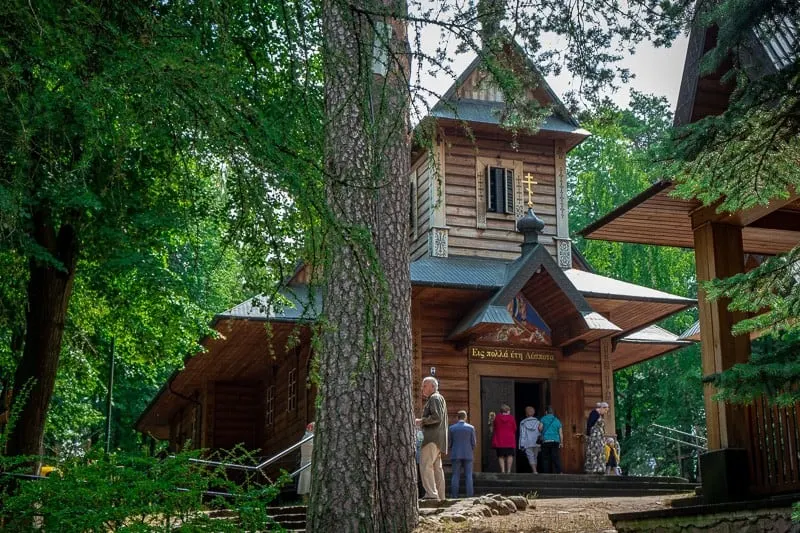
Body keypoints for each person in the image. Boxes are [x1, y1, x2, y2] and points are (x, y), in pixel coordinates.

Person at [415, 376, 448, 500]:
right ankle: (440, 496)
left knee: (425, 465)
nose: (422, 388)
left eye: (424, 385)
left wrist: (421, 421)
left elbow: (437, 417)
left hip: (431, 438)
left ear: (432, 387)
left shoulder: (434, 398)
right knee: (437, 468)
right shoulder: (439, 398)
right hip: (438, 440)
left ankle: (431, 495)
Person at [448, 410, 476, 498]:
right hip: (468, 454)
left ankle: (454, 496)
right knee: (468, 475)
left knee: (455, 475)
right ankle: (469, 496)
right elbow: (474, 443)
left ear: (457, 417)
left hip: (456, 454)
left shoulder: (452, 428)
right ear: (465, 417)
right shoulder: (471, 428)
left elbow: (450, 443)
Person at [490, 404, 516, 473]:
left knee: (501, 456)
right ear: (507, 411)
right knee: (510, 455)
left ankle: (502, 470)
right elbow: (514, 428)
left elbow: (494, 427)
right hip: (509, 440)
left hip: (499, 440)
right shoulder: (511, 418)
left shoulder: (497, 418)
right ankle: (509, 471)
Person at [585, 401, 608, 474]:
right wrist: (588, 435)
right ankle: (594, 469)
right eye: (606, 410)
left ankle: (599, 469)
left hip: (599, 438)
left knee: (600, 452)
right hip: (595, 438)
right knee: (595, 452)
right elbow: (589, 425)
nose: (605, 412)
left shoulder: (598, 414)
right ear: (602, 408)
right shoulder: (594, 414)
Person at [538, 406, 563, 474]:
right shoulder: (557, 420)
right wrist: (561, 443)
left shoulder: (543, 418)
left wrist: (541, 430)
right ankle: (560, 471)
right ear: (553, 413)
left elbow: (540, 428)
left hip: (546, 441)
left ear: (546, 412)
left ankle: (546, 473)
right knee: (555, 457)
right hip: (555, 441)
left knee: (546, 458)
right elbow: (560, 433)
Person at [518, 406, 541, 474]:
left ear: (526, 414)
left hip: (527, 442)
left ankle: (534, 471)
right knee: (535, 457)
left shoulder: (523, 422)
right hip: (536, 442)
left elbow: (523, 434)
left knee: (530, 456)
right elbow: (540, 432)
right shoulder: (538, 422)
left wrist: (521, 444)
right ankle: (535, 470)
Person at [297, 422, 314, 501]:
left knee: (304, 478)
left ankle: (305, 498)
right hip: (309, 460)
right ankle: (308, 497)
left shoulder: (305, 437)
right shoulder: (310, 437)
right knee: (308, 478)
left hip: (304, 460)